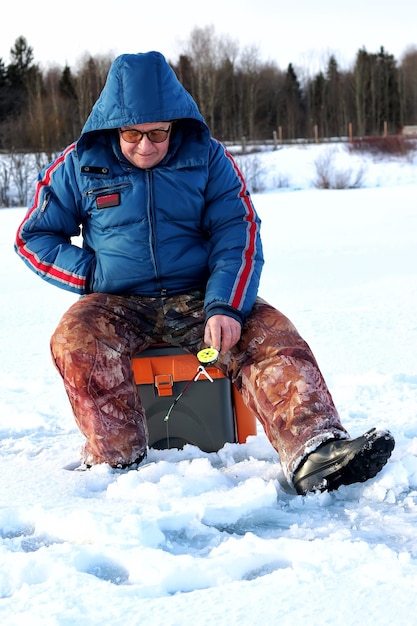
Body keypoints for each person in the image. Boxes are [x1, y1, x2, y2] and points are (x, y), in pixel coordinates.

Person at [14, 51, 394, 494]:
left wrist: (226, 306)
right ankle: (115, 460)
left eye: (158, 132)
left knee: (269, 333)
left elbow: (239, 233)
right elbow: (33, 236)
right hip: (116, 301)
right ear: (112, 128)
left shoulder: (209, 158)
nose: (145, 145)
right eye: (132, 133)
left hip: (200, 295)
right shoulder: (78, 165)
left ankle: (314, 450)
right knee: (75, 338)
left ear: (175, 124)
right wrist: (91, 275)